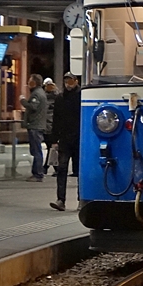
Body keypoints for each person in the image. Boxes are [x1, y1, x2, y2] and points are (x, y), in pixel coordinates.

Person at [48, 73, 82, 211]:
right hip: (65, 140)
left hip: (79, 139)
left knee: (79, 170)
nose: (68, 83)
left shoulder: (81, 96)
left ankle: (82, 200)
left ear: (76, 81)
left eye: (71, 81)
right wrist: (54, 140)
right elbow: (56, 121)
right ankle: (60, 199)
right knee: (62, 169)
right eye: (66, 81)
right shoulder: (60, 98)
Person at [21, 74, 48, 181]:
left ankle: (38, 174)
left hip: (35, 125)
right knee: (36, 150)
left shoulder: (36, 94)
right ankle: (36, 172)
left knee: (36, 150)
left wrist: (22, 101)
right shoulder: (40, 93)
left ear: (34, 83)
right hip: (38, 125)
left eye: (30, 82)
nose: (28, 84)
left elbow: (33, 107)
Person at [43, 78, 58, 174]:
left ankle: (47, 167)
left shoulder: (45, 98)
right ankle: (51, 167)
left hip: (49, 125)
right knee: (51, 148)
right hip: (51, 124)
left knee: (51, 147)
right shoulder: (57, 96)